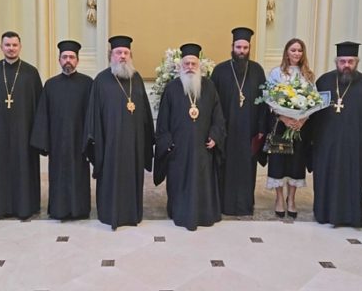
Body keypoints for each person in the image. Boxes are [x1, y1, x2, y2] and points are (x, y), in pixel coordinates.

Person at [83, 35, 154, 230]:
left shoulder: (136, 79)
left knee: (132, 178)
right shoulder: (101, 80)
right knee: (111, 179)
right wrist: (96, 141)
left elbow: (145, 113)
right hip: (109, 144)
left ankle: (132, 213)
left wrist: (147, 139)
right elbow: (94, 114)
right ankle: (109, 213)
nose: (122, 56)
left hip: (134, 144)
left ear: (130, 56)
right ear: (110, 56)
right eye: (118, 52)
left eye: (126, 53)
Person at [310, 42, 362, 228]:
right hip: (326, 144)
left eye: (350, 61)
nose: (346, 65)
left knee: (354, 180)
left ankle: (352, 217)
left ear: (357, 62)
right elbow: (312, 114)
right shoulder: (324, 82)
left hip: (356, 145)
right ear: (336, 62)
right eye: (342, 61)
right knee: (326, 178)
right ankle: (324, 214)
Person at [154, 43, 225, 230]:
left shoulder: (209, 87)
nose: (190, 67)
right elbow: (162, 121)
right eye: (187, 64)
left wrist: (215, 136)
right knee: (179, 182)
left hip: (203, 148)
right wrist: (168, 143)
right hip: (179, 149)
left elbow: (218, 116)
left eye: (194, 64)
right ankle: (179, 211)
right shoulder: (171, 88)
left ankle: (204, 214)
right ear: (180, 66)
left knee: (203, 182)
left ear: (199, 66)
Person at [31, 40, 93, 220]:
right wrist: (44, 142)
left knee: (79, 175)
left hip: (79, 141)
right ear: (59, 60)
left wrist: (91, 139)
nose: (68, 60)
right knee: (58, 175)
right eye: (64, 57)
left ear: (77, 60)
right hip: (57, 141)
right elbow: (43, 114)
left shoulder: (88, 83)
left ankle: (80, 210)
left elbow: (92, 114)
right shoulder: (51, 84)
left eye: (72, 57)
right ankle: (58, 209)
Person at [0, 31, 42, 220]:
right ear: (1, 47)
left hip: (25, 131)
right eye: (7, 45)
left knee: (24, 167)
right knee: (0, 168)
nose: (11, 48)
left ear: (20, 47)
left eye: (14, 45)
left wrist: (38, 131)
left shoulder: (31, 72)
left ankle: (25, 207)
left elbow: (39, 104)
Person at [211, 27, 267, 216]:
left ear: (249, 48)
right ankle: (223, 205)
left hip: (249, 132)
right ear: (232, 47)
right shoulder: (220, 71)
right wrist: (215, 130)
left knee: (246, 169)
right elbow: (212, 103)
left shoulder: (257, 70)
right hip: (226, 131)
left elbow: (264, 101)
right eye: (238, 47)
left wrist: (261, 129)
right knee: (225, 168)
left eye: (245, 47)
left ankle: (244, 206)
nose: (241, 51)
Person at [266, 38, 315, 219]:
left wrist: (302, 119)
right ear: (287, 52)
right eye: (293, 50)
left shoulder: (308, 75)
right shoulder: (276, 73)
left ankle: (292, 199)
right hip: (281, 125)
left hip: (300, 126)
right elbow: (269, 98)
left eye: (299, 50)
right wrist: (284, 117)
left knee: (296, 162)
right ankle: (279, 198)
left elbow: (314, 100)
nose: (296, 53)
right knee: (278, 162)